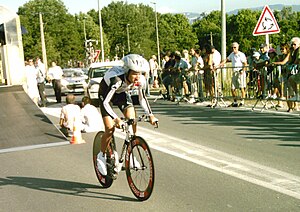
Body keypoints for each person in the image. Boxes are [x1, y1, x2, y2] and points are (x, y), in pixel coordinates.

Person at [96, 54, 158, 176]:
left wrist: (150, 115)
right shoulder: (117, 80)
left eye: (140, 73)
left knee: (132, 118)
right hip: (106, 94)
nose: (137, 76)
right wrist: (116, 118)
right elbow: (106, 102)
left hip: (121, 94)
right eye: (134, 73)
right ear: (127, 71)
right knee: (109, 128)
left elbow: (142, 98)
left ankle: (130, 151)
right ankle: (101, 155)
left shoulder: (140, 80)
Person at [217, 42, 247, 107]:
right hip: (234, 72)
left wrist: (242, 70)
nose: (233, 49)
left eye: (235, 47)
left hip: (240, 72)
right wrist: (220, 64)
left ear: (238, 48)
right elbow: (227, 60)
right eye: (232, 47)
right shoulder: (232, 54)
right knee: (232, 88)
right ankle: (235, 101)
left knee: (242, 87)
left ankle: (242, 101)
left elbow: (245, 63)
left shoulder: (241, 54)